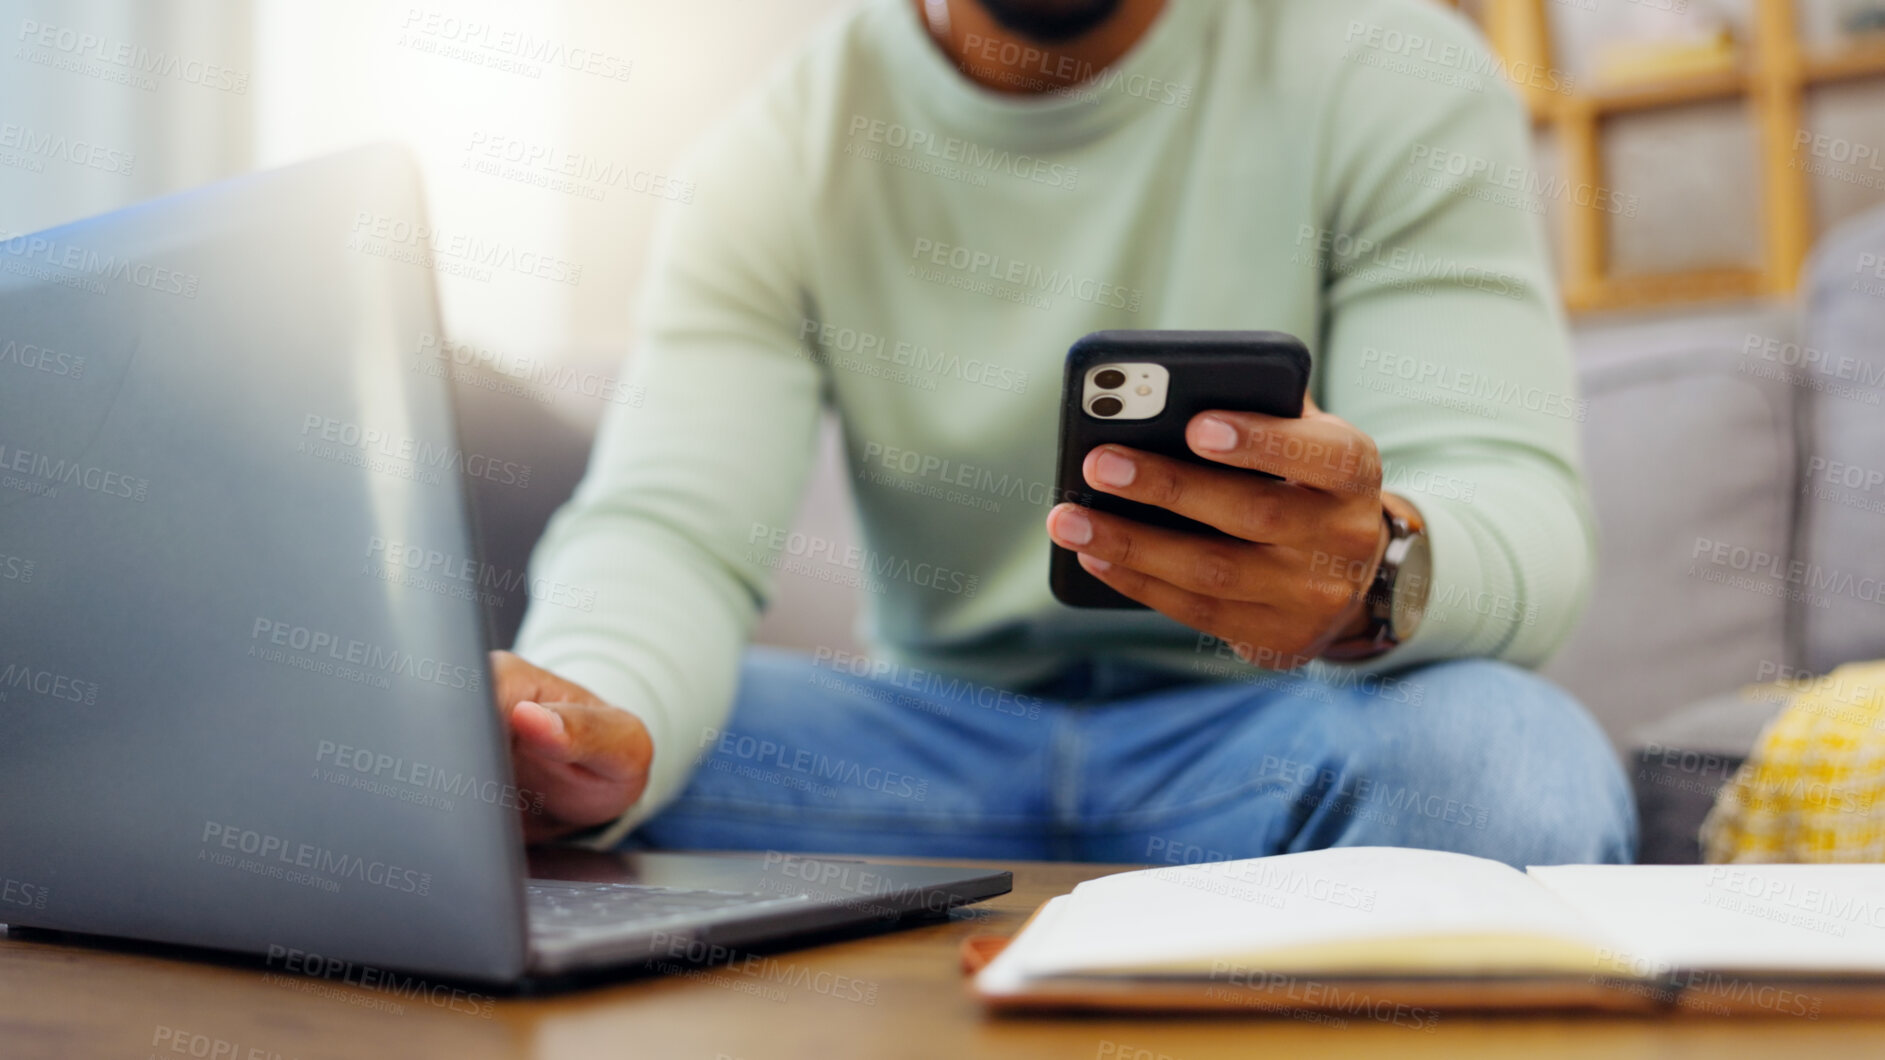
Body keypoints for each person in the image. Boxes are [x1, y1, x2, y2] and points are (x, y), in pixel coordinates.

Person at [493, 0, 1637, 867]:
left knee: (1507, 761)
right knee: (483, 781)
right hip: (921, 755)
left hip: (1280, 729)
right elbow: (669, 530)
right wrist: (586, 719)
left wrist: (1372, 570)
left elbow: (1514, 500)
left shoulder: (1391, 64)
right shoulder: (773, 152)